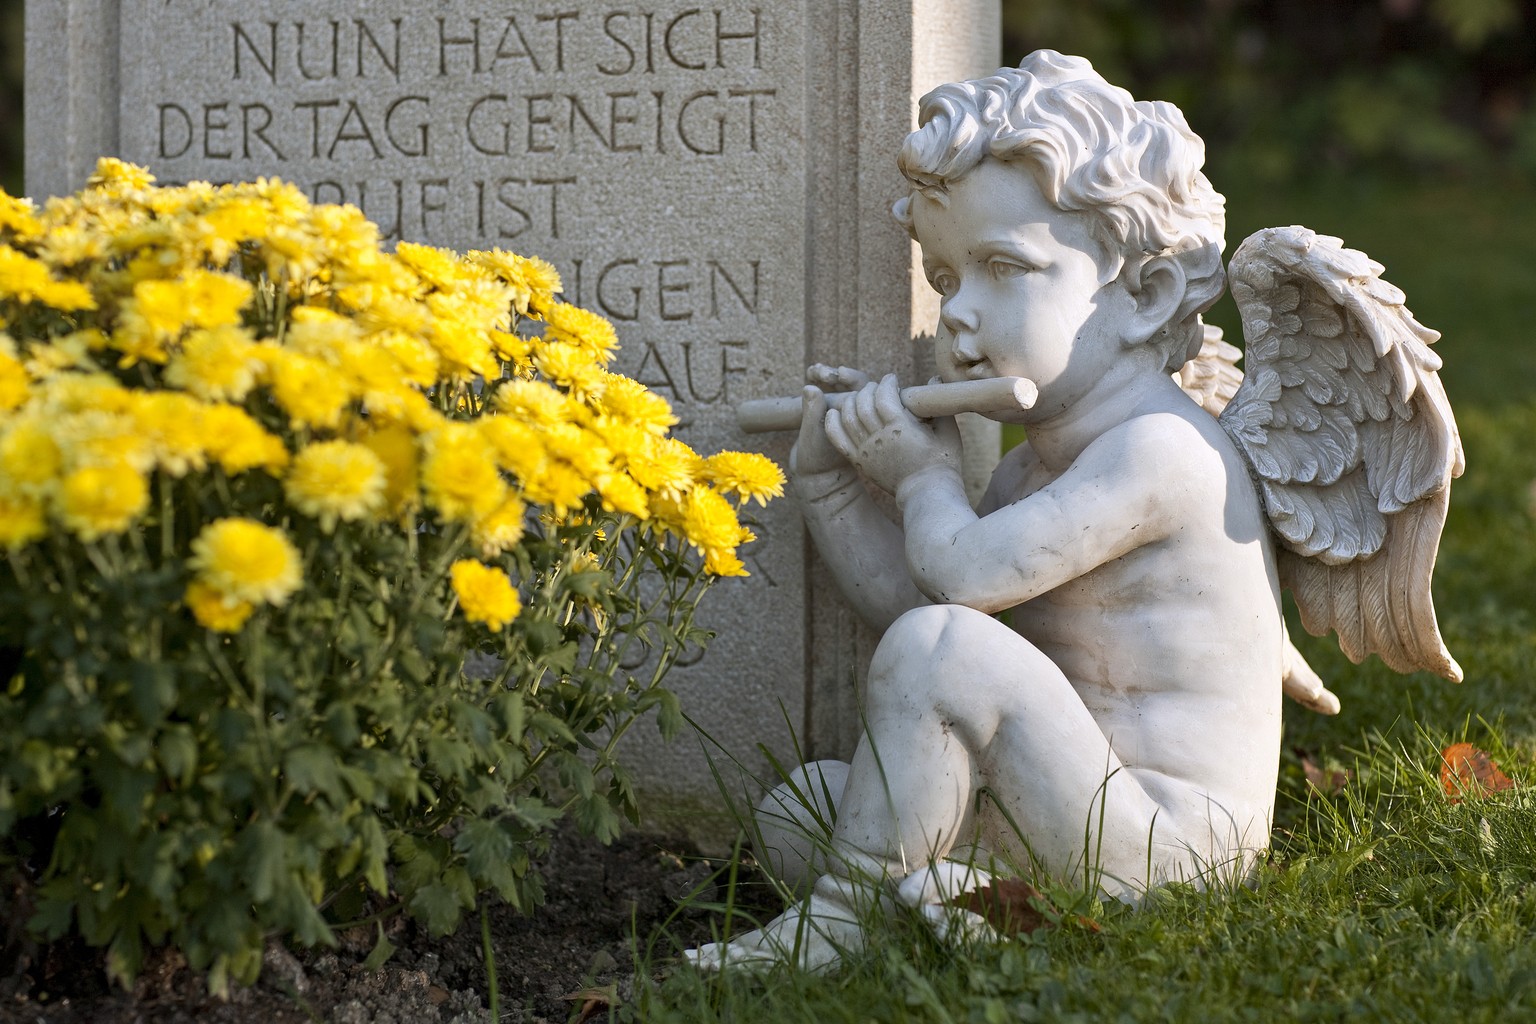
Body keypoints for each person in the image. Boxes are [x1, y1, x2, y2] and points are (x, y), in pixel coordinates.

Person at [688, 50, 1282, 971]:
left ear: (1144, 296)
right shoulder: (1029, 475)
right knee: (801, 808)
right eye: (945, 277)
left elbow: (955, 590)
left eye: (1004, 268)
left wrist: (922, 478)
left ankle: (846, 921)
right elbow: (916, 623)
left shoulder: (1161, 452)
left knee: (940, 661)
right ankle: (965, 901)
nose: (957, 316)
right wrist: (835, 488)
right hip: (1058, 807)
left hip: (1167, 843)